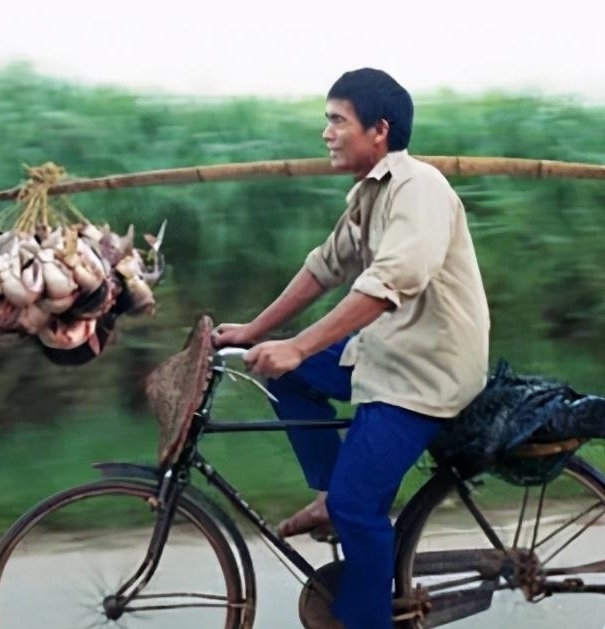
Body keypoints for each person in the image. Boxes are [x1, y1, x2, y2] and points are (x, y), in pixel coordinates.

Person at [211, 67, 490, 629]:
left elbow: (391, 282)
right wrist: (256, 332)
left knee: (359, 508)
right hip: (386, 352)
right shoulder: (371, 193)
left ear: (378, 130)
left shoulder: (420, 190)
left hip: (426, 370)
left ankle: (360, 578)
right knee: (285, 375)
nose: (327, 133)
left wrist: (299, 344)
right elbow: (325, 267)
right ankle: (331, 495)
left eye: (337, 120)